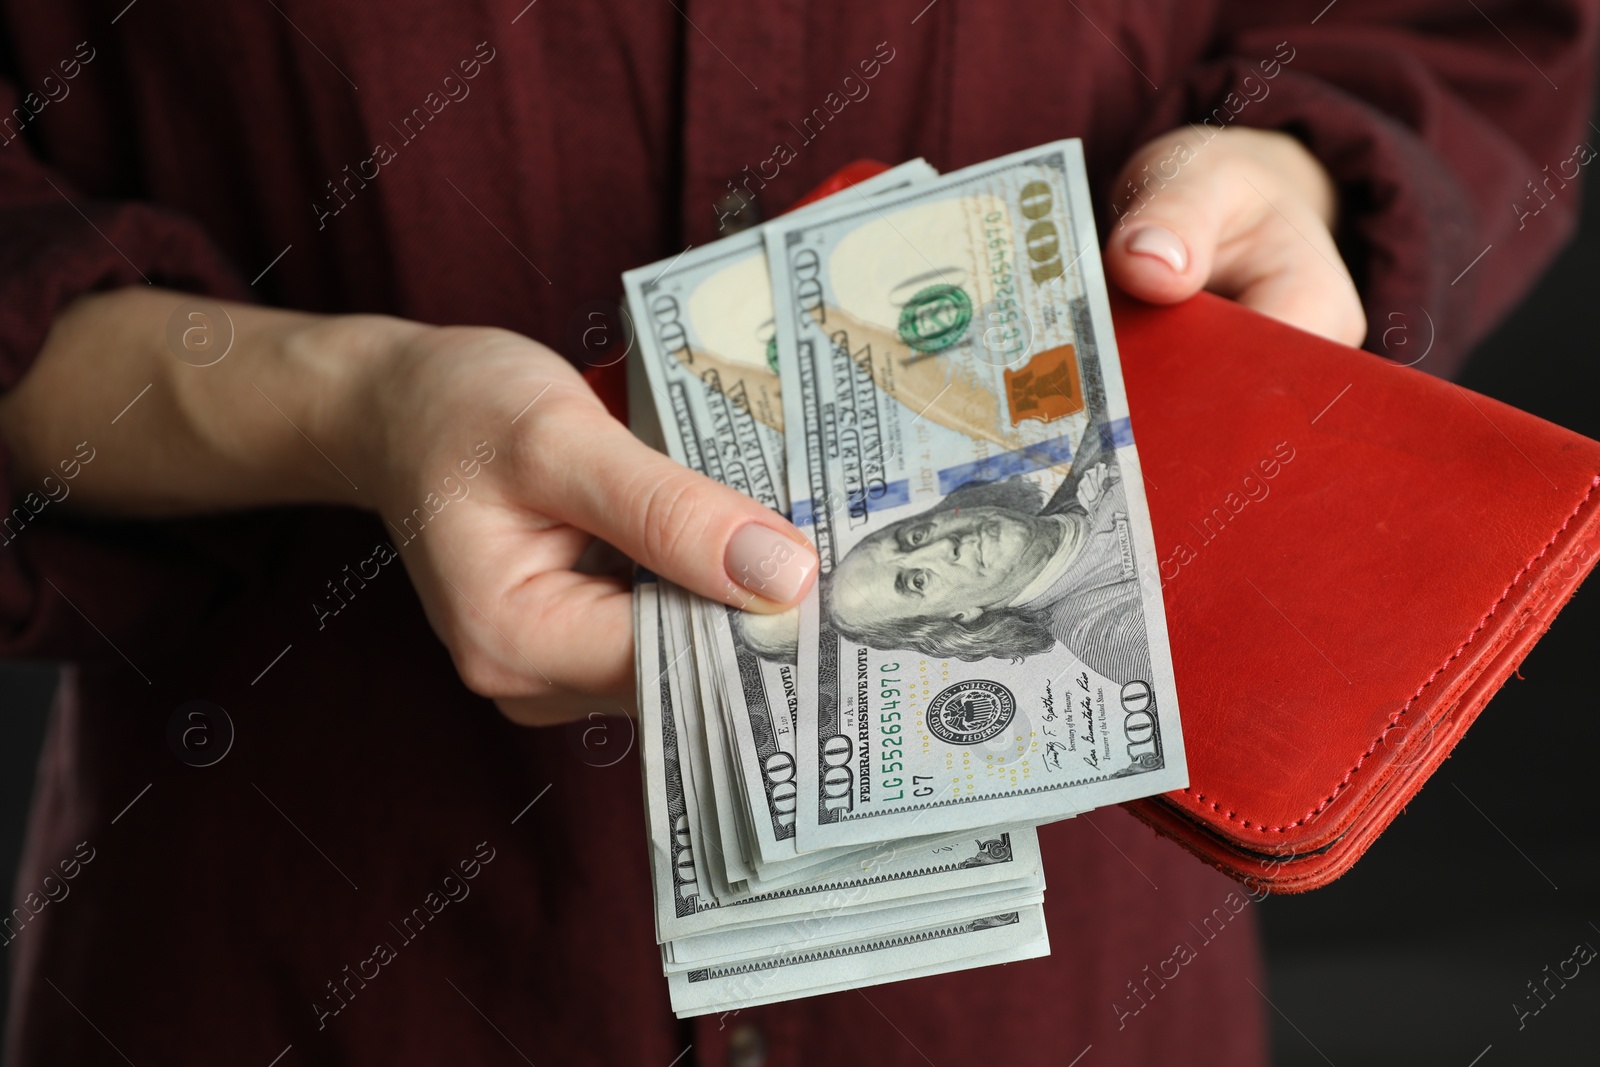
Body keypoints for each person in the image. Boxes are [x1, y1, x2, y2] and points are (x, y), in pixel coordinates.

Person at [0, 4, 1593, 1066]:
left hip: (1066, 976)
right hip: (304, 939)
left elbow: (1462, 25)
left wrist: (1298, 171)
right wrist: (345, 405)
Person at [826, 419, 1151, 684]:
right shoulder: (1110, 635)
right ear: (959, 617)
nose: (943, 546)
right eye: (918, 581)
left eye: (915, 537)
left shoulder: (1097, 440)